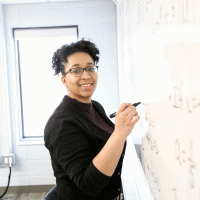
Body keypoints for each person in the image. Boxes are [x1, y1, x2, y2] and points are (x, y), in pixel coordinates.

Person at [44, 39, 140, 200]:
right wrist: (119, 133)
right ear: (64, 80)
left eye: (90, 68)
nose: (86, 75)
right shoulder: (61, 124)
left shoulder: (95, 106)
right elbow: (89, 185)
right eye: (76, 71)